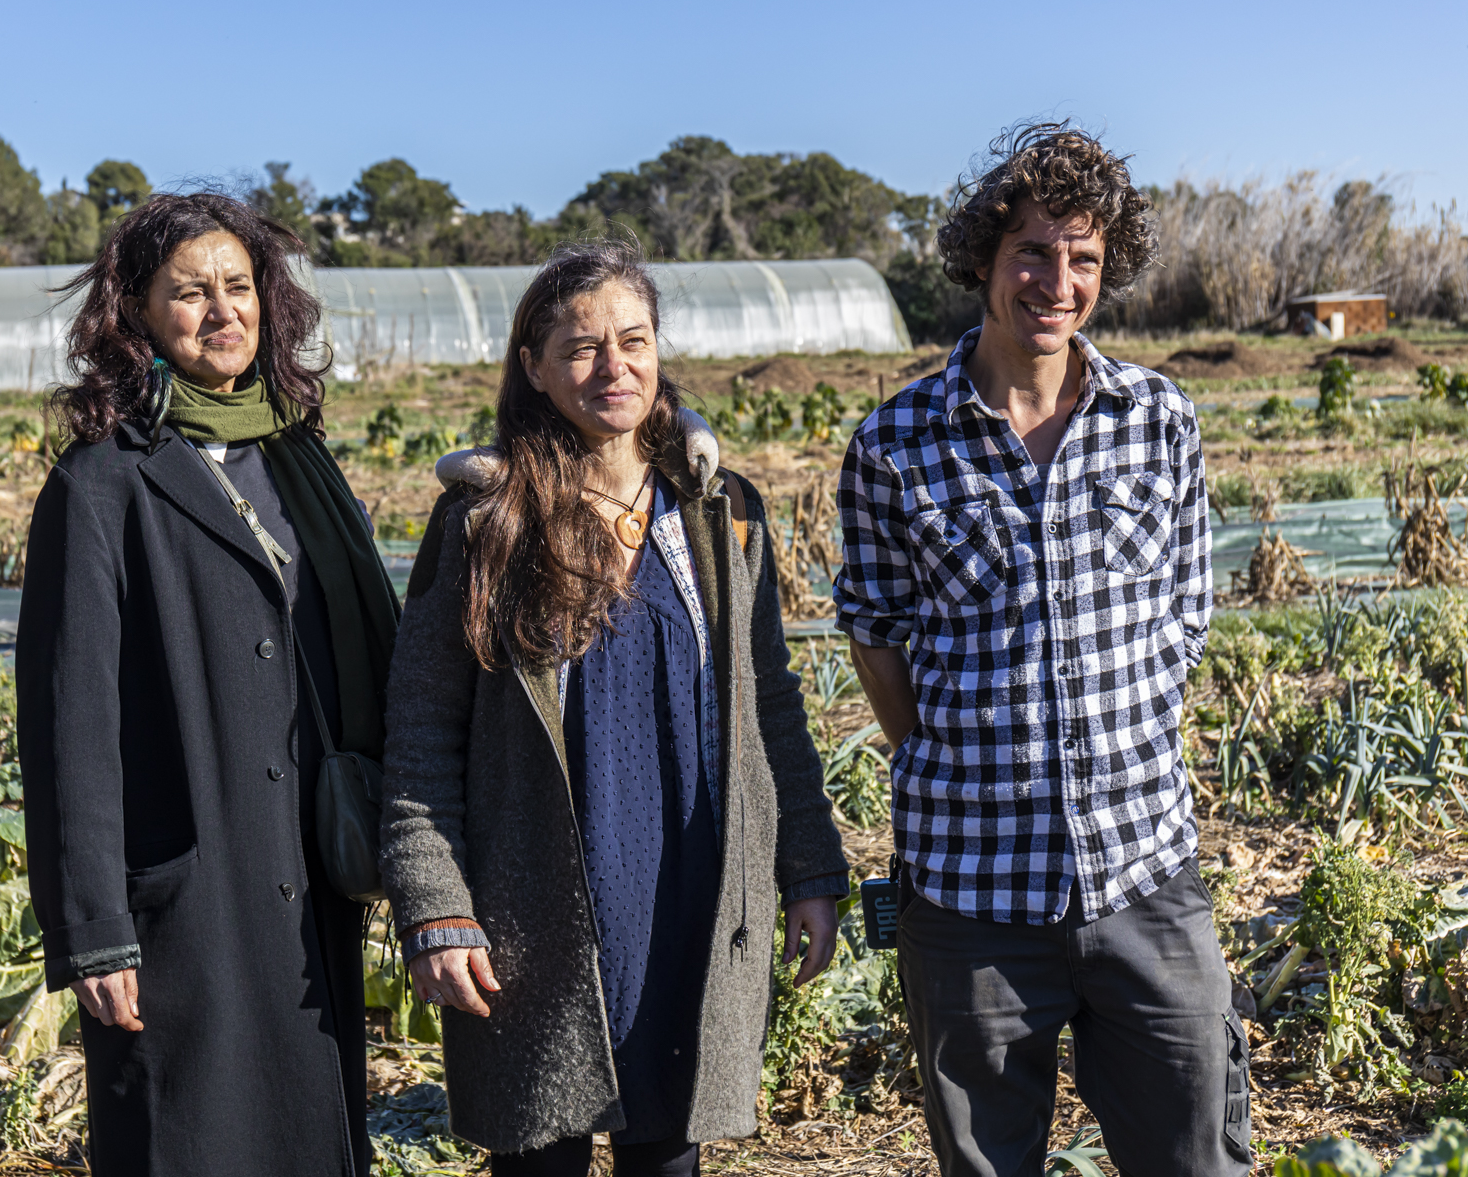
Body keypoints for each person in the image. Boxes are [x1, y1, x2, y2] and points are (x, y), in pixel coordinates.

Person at [380, 241, 848, 1177]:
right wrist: (436, 909)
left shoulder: (720, 514)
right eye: (581, 347)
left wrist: (809, 866)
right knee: (540, 1155)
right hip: (533, 913)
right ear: (535, 369)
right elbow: (422, 733)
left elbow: (770, 709)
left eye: (634, 340)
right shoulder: (485, 523)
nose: (613, 366)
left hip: (692, 888)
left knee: (668, 1151)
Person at [834, 124, 1242, 1176]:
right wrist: (966, 761)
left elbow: (1183, 614)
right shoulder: (895, 442)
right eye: (1032, 252)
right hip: (971, 895)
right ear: (983, 258)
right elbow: (875, 636)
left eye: (1084, 257)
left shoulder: (1160, 419)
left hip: (1145, 871)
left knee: (1197, 1153)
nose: (1056, 281)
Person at [17, 191, 396, 1177]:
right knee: (191, 1137)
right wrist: (96, 932)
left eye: (240, 287)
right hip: (184, 893)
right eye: (190, 292)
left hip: (304, 881)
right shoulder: (102, 482)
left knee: (311, 1135)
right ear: (135, 312)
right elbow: (71, 726)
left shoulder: (299, 459)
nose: (222, 310)